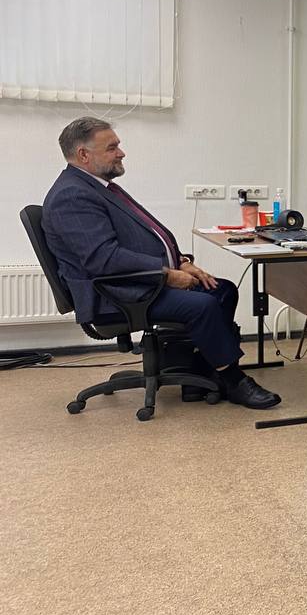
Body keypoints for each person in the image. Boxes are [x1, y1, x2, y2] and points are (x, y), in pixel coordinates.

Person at [41, 117, 281, 409]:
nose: (121, 153)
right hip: (114, 294)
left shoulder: (98, 186)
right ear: (83, 154)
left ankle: (200, 370)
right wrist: (166, 274)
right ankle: (233, 380)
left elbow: (141, 237)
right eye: (112, 147)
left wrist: (181, 262)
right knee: (203, 305)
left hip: (137, 280)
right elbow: (103, 259)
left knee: (223, 290)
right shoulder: (72, 195)